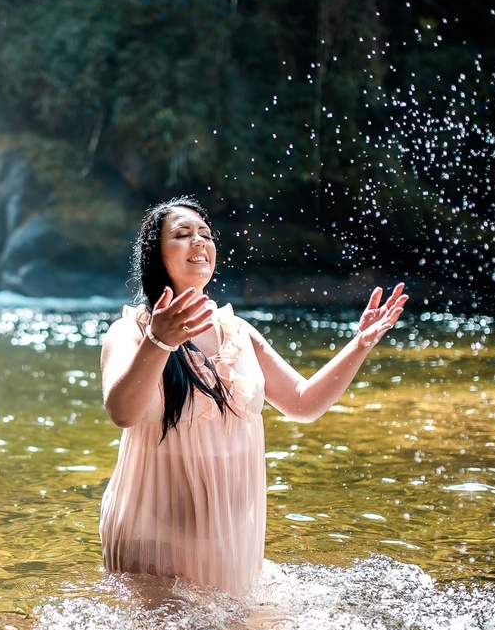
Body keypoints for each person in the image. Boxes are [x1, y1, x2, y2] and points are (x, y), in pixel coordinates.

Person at [99, 196, 407, 596]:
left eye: (205, 234)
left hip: (229, 543)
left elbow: (303, 402)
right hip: (154, 536)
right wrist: (159, 342)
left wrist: (360, 344)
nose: (199, 242)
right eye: (182, 234)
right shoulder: (131, 333)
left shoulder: (239, 332)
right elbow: (122, 412)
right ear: (154, 255)